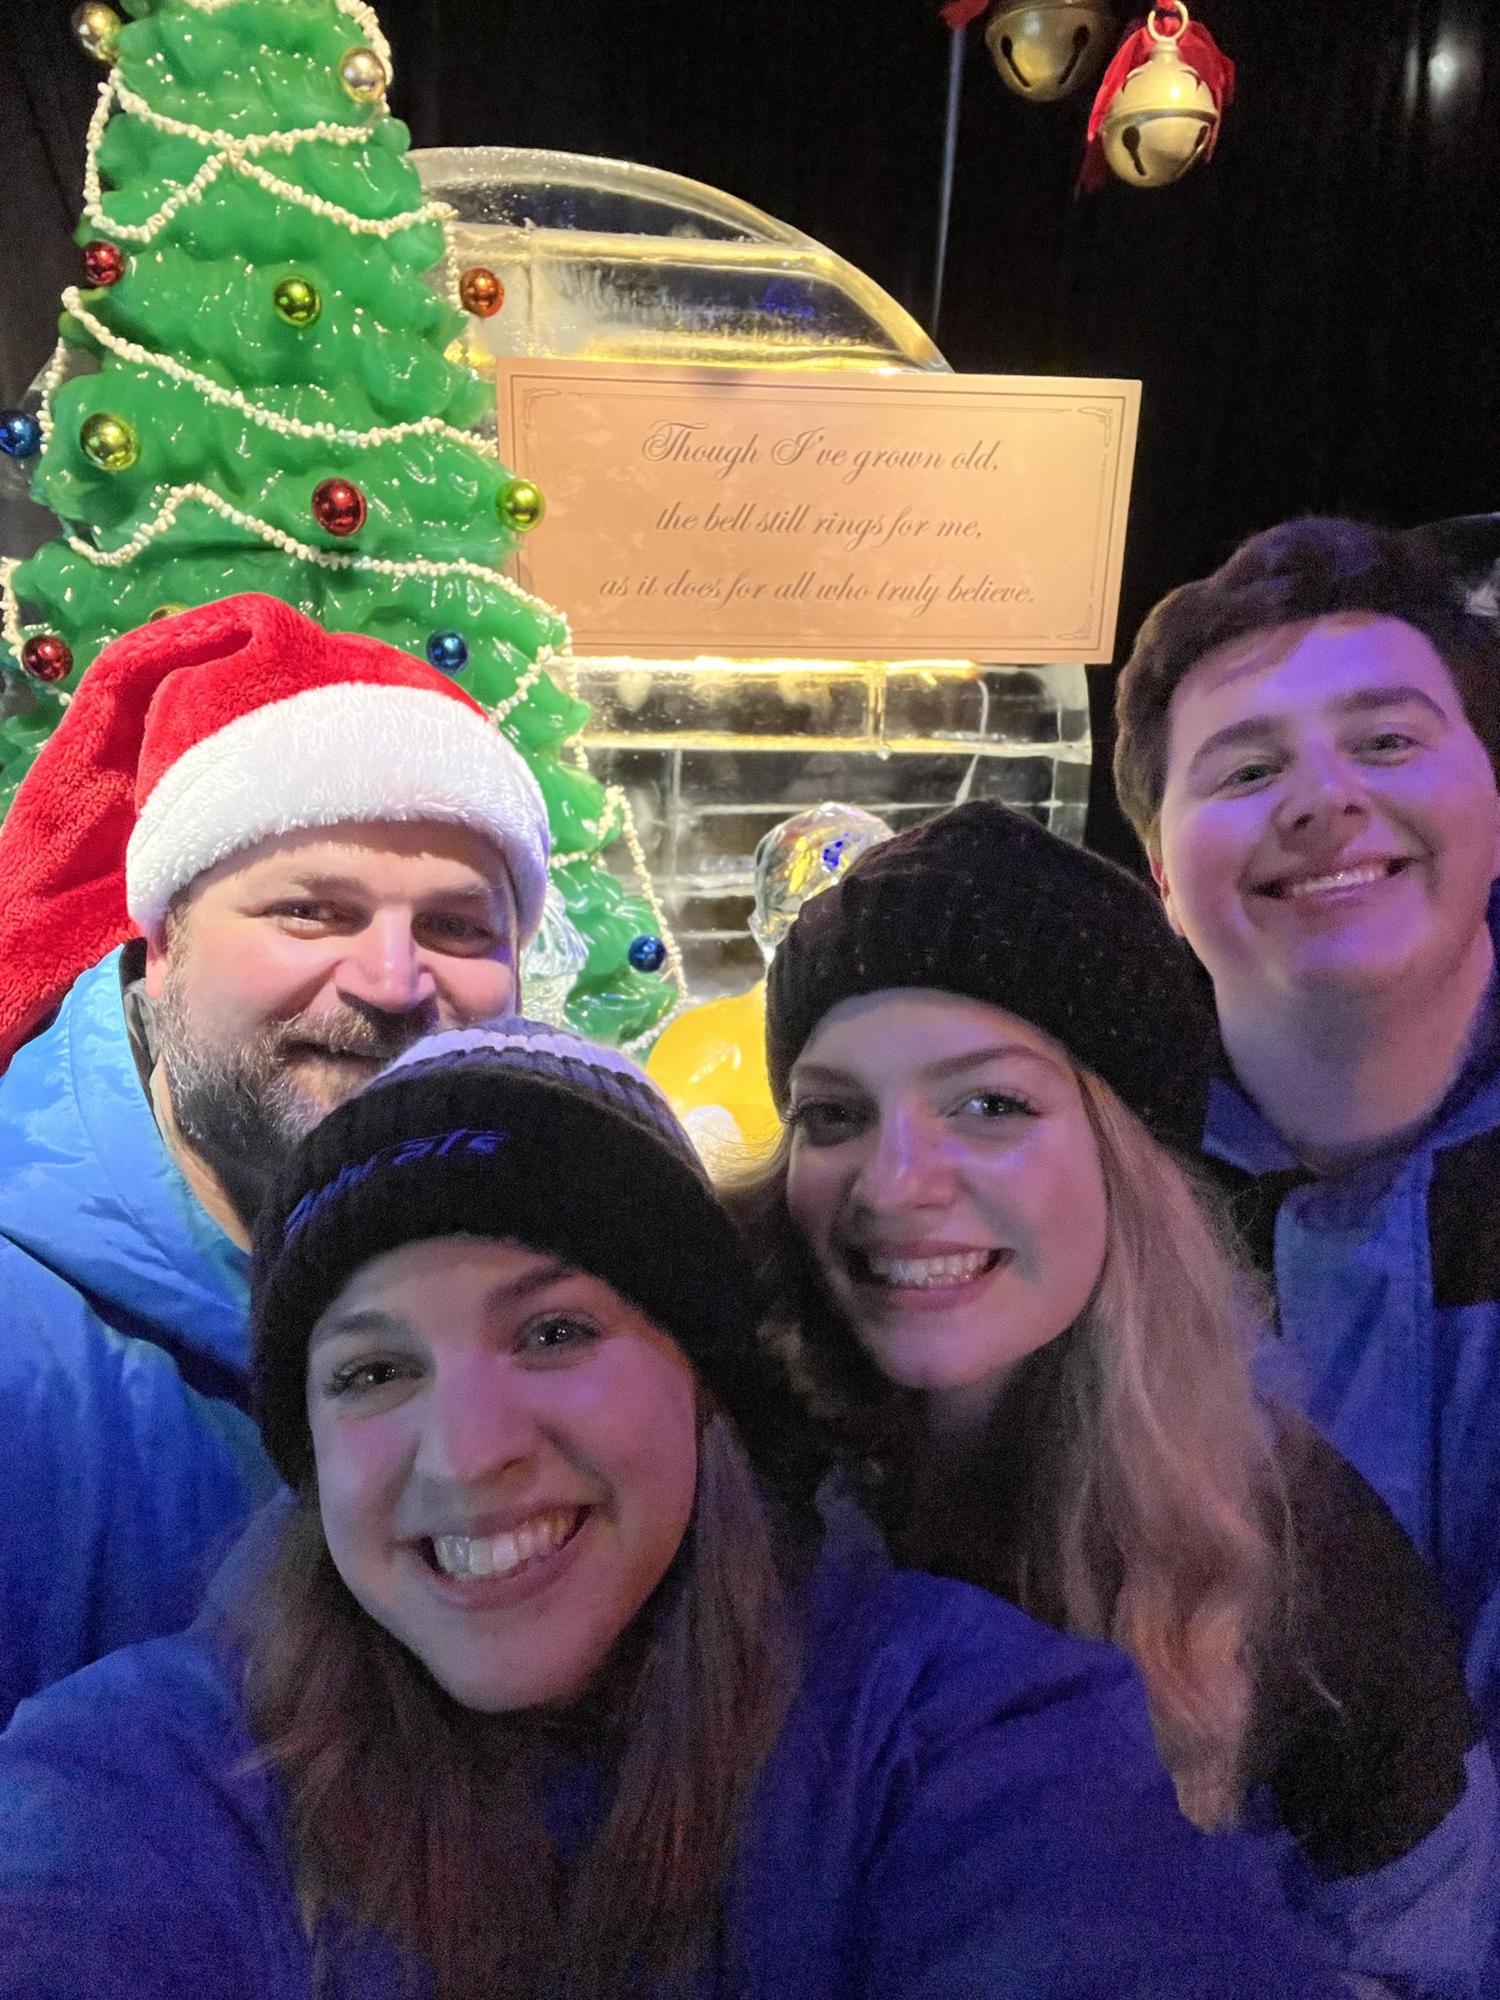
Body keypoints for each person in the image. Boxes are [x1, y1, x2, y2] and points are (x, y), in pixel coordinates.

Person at [0, 1020, 1346, 2000]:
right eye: (372, 1371)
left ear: (705, 1387)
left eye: (554, 1332)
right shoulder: (152, 1774)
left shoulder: (957, 1726)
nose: (467, 1454)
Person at [744, 798, 1497, 1996]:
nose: (892, 1183)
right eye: (834, 1113)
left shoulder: (1292, 1544)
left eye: (989, 1104)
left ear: (1129, 1157)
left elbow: (1430, 1953)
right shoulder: (731, 1460)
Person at [0, 591, 550, 1725]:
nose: (393, 984)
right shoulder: (25, 1363)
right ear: (163, 943)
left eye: (457, 927)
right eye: (312, 911)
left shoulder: (567, 1261)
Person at [1113, 516, 1500, 1751]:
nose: (1326, 799)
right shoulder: (1083, 1201)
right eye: (1243, 770)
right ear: (1163, 878)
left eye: (1387, 741)